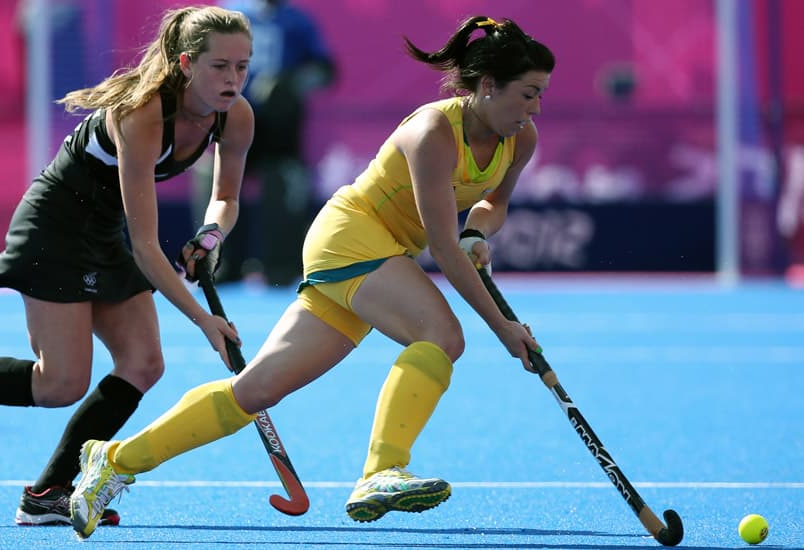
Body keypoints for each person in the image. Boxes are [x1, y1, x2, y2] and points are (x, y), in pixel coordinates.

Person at [69, 16, 555, 538]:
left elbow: (490, 204)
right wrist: (503, 327)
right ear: (487, 86)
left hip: (382, 252)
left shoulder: (518, 138)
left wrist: (477, 232)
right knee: (441, 335)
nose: (535, 108)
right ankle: (381, 471)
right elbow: (440, 245)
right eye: (527, 94)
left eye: (540, 96)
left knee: (254, 391)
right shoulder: (433, 131)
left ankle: (114, 460)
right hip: (352, 236)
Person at [0, 6, 253, 528]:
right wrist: (204, 322)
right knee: (61, 384)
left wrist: (211, 233)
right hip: (56, 225)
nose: (233, 80)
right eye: (219, 67)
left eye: (242, 67)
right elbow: (145, 246)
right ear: (186, 63)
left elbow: (225, 197)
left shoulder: (237, 116)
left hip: (104, 229)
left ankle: (49, 490)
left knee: (143, 363)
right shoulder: (143, 115)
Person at [195, 0, 335, 285]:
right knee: (215, 180)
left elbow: (325, 69)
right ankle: (217, 262)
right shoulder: (230, 15)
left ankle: (282, 264)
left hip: (279, 125)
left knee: (284, 182)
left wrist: (289, 83)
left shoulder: (297, 20)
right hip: (230, 117)